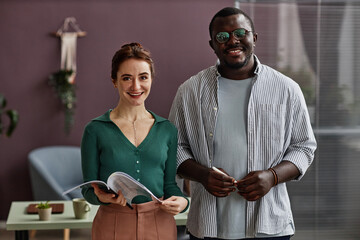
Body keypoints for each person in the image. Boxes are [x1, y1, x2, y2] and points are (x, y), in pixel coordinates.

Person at [169, 7, 316, 240]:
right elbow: (174, 147)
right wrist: (203, 175)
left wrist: (272, 177)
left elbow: (304, 147)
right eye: (222, 36)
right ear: (213, 45)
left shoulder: (286, 89)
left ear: (254, 38)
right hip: (208, 225)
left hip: (270, 224)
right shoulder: (190, 91)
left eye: (240, 32)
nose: (232, 40)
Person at [81, 42, 188, 240]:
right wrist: (100, 197)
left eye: (143, 77)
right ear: (114, 81)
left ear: (151, 79)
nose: (136, 86)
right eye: (127, 78)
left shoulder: (167, 130)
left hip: (160, 224)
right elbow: (88, 190)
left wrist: (182, 202)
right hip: (112, 225)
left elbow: (170, 185)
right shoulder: (94, 130)